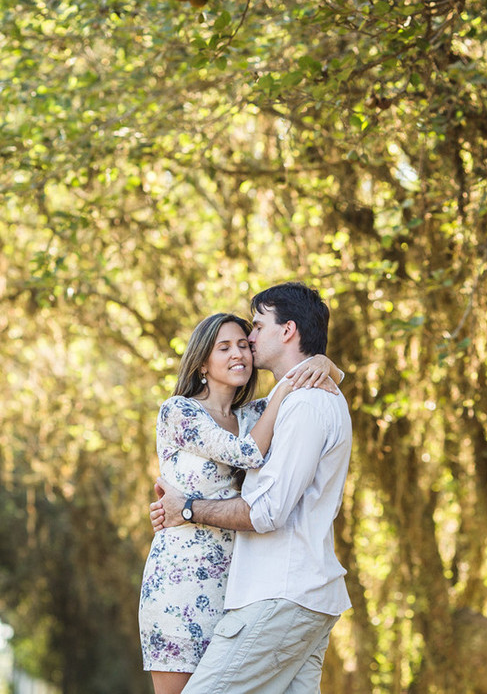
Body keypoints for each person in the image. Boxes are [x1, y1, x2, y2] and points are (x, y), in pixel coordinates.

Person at [150, 282, 352, 693]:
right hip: (191, 583)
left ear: (288, 330)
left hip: (275, 592)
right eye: (225, 347)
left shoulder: (281, 407)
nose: (247, 346)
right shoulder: (190, 411)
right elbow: (247, 454)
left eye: (252, 333)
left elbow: (265, 511)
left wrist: (185, 507)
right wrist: (313, 370)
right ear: (202, 361)